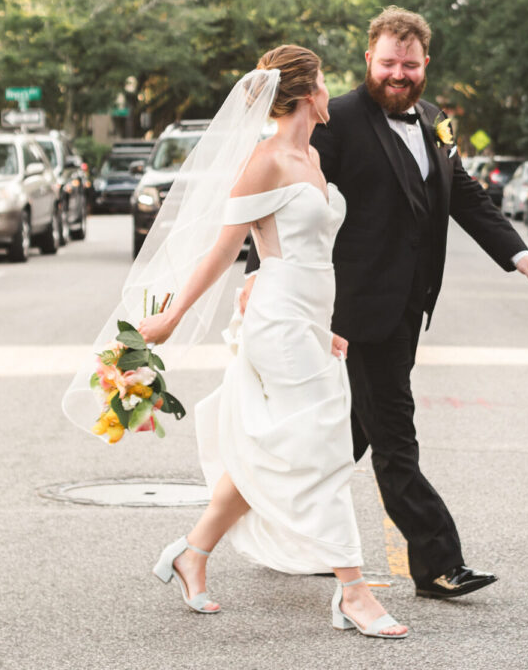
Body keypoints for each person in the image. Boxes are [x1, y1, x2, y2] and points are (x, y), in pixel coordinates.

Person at [244, 7, 528, 601]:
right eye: (388, 63)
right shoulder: (337, 121)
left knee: (346, 435)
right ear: (369, 60)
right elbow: (285, 198)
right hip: (349, 309)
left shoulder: (436, 121)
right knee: (394, 435)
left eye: (409, 65)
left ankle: (280, 527)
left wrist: (517, 253)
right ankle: (438, 562)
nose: (398, 74)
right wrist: (261, 273)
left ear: (425, 64)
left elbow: (463, 193)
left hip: (408, 306)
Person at [134, 45, 408, 639]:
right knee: (325, 447)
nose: (332, 93)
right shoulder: (265, 160)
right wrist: (174, 316)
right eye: (325, 83)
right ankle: (354, 592)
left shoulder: (310, 155)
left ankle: (192, 551)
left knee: (274, 448)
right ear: (308, 92)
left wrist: (327, 316)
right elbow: (224, 245)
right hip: (279, 325)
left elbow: (296, 245)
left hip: (309, 316)